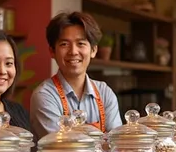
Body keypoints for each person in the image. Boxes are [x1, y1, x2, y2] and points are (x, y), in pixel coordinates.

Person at [30, 11, 121, 139]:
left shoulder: (104, 92)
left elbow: (117, 143)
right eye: (64, 44)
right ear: (52, 51)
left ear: (93, 50)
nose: (73, 51)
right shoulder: (45, 95)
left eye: (81, 43)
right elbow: (61, 147)